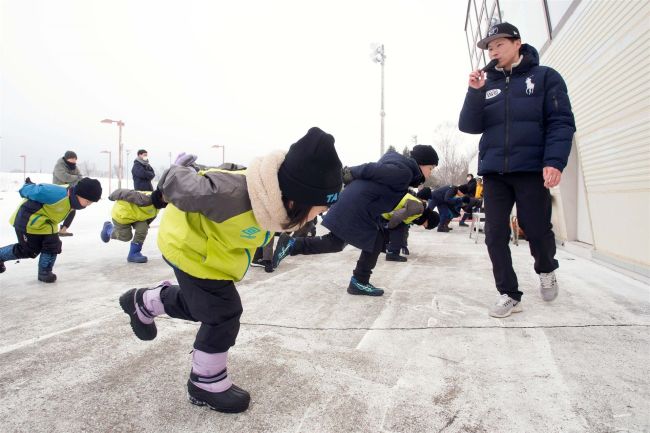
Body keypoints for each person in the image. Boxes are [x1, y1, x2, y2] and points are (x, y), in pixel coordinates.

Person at [117, 127, 342, 413]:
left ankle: (146, 302)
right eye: (317, 209)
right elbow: (179, 184)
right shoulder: (230, 194)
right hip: (189, 247)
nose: (318, 216)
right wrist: (178, 169)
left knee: (205, 307)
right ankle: (205, 383)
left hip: (214, 254)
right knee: (223, 313)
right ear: (296, 198)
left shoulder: (276, 204)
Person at [458, 22, 576, 318]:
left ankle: (546, 268)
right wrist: (474, 93)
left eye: (499, 44)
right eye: (490, 47)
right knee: (494, 233)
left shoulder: (545, 77)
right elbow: (469, 126)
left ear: (517, 43)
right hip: (495, 172)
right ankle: (509, 293)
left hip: (531, 168)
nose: (493, 51)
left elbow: (561, 122)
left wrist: (554, 161)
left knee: (535, 229)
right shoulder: (488, 84)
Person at [272, 144, 438, 296]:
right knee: (375, 240)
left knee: (336, 243)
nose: (430, 172)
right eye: (430, 168)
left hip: (356, 202)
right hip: (357, 205)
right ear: (422, 164)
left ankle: (293, 245)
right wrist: (348, 172)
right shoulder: (404, 172)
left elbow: (380, 184)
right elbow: (372, 169)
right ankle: (359, 281)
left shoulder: (400, 167)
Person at [0, 177, 102, 281]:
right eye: (88, 201)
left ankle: (45, 272)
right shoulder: (56, 194)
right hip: (27, 221)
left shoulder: (73, 201)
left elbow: (69, 213)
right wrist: (27, 186)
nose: (88, 205)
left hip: (47, 223)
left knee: (53, 245)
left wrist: (65, 227)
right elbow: (36, 191)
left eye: (91, 203)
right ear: (78, 193)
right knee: (29, 250)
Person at [100, 188, 168, 263]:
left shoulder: (159, 205)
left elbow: (151, 216)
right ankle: (109, 229)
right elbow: (125, 192)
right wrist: (111, 196)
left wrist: (146, 224)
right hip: (122, 215)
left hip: (137, 217)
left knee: (143, 228)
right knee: (126, 237)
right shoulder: (144, 199)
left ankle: (134, 253)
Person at [382, 194, 439, 261]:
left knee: (399, 226)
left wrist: (403, 245)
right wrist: (389, 226)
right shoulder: (418, 208)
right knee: (396, 226)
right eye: (425, 225)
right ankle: (392, 254)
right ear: (429, 219)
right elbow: (397, 215)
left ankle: (390, 250)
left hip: (387, 209)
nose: (422, 225)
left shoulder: (418, 214)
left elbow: (405, 228)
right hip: (384, 207)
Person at [52, 150, 83, 236]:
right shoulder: (59, 166)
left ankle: (63, 230)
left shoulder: (74, 167)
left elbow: (80, 178)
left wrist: (71, 180)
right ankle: (50, 230)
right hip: (58, 192)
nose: (73, 163)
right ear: (66, 159)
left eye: (75, 160)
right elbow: (64, 177)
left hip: (69, 191)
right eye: (71, 160)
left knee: (72, 210)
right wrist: (75, 178)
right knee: (57, 211)